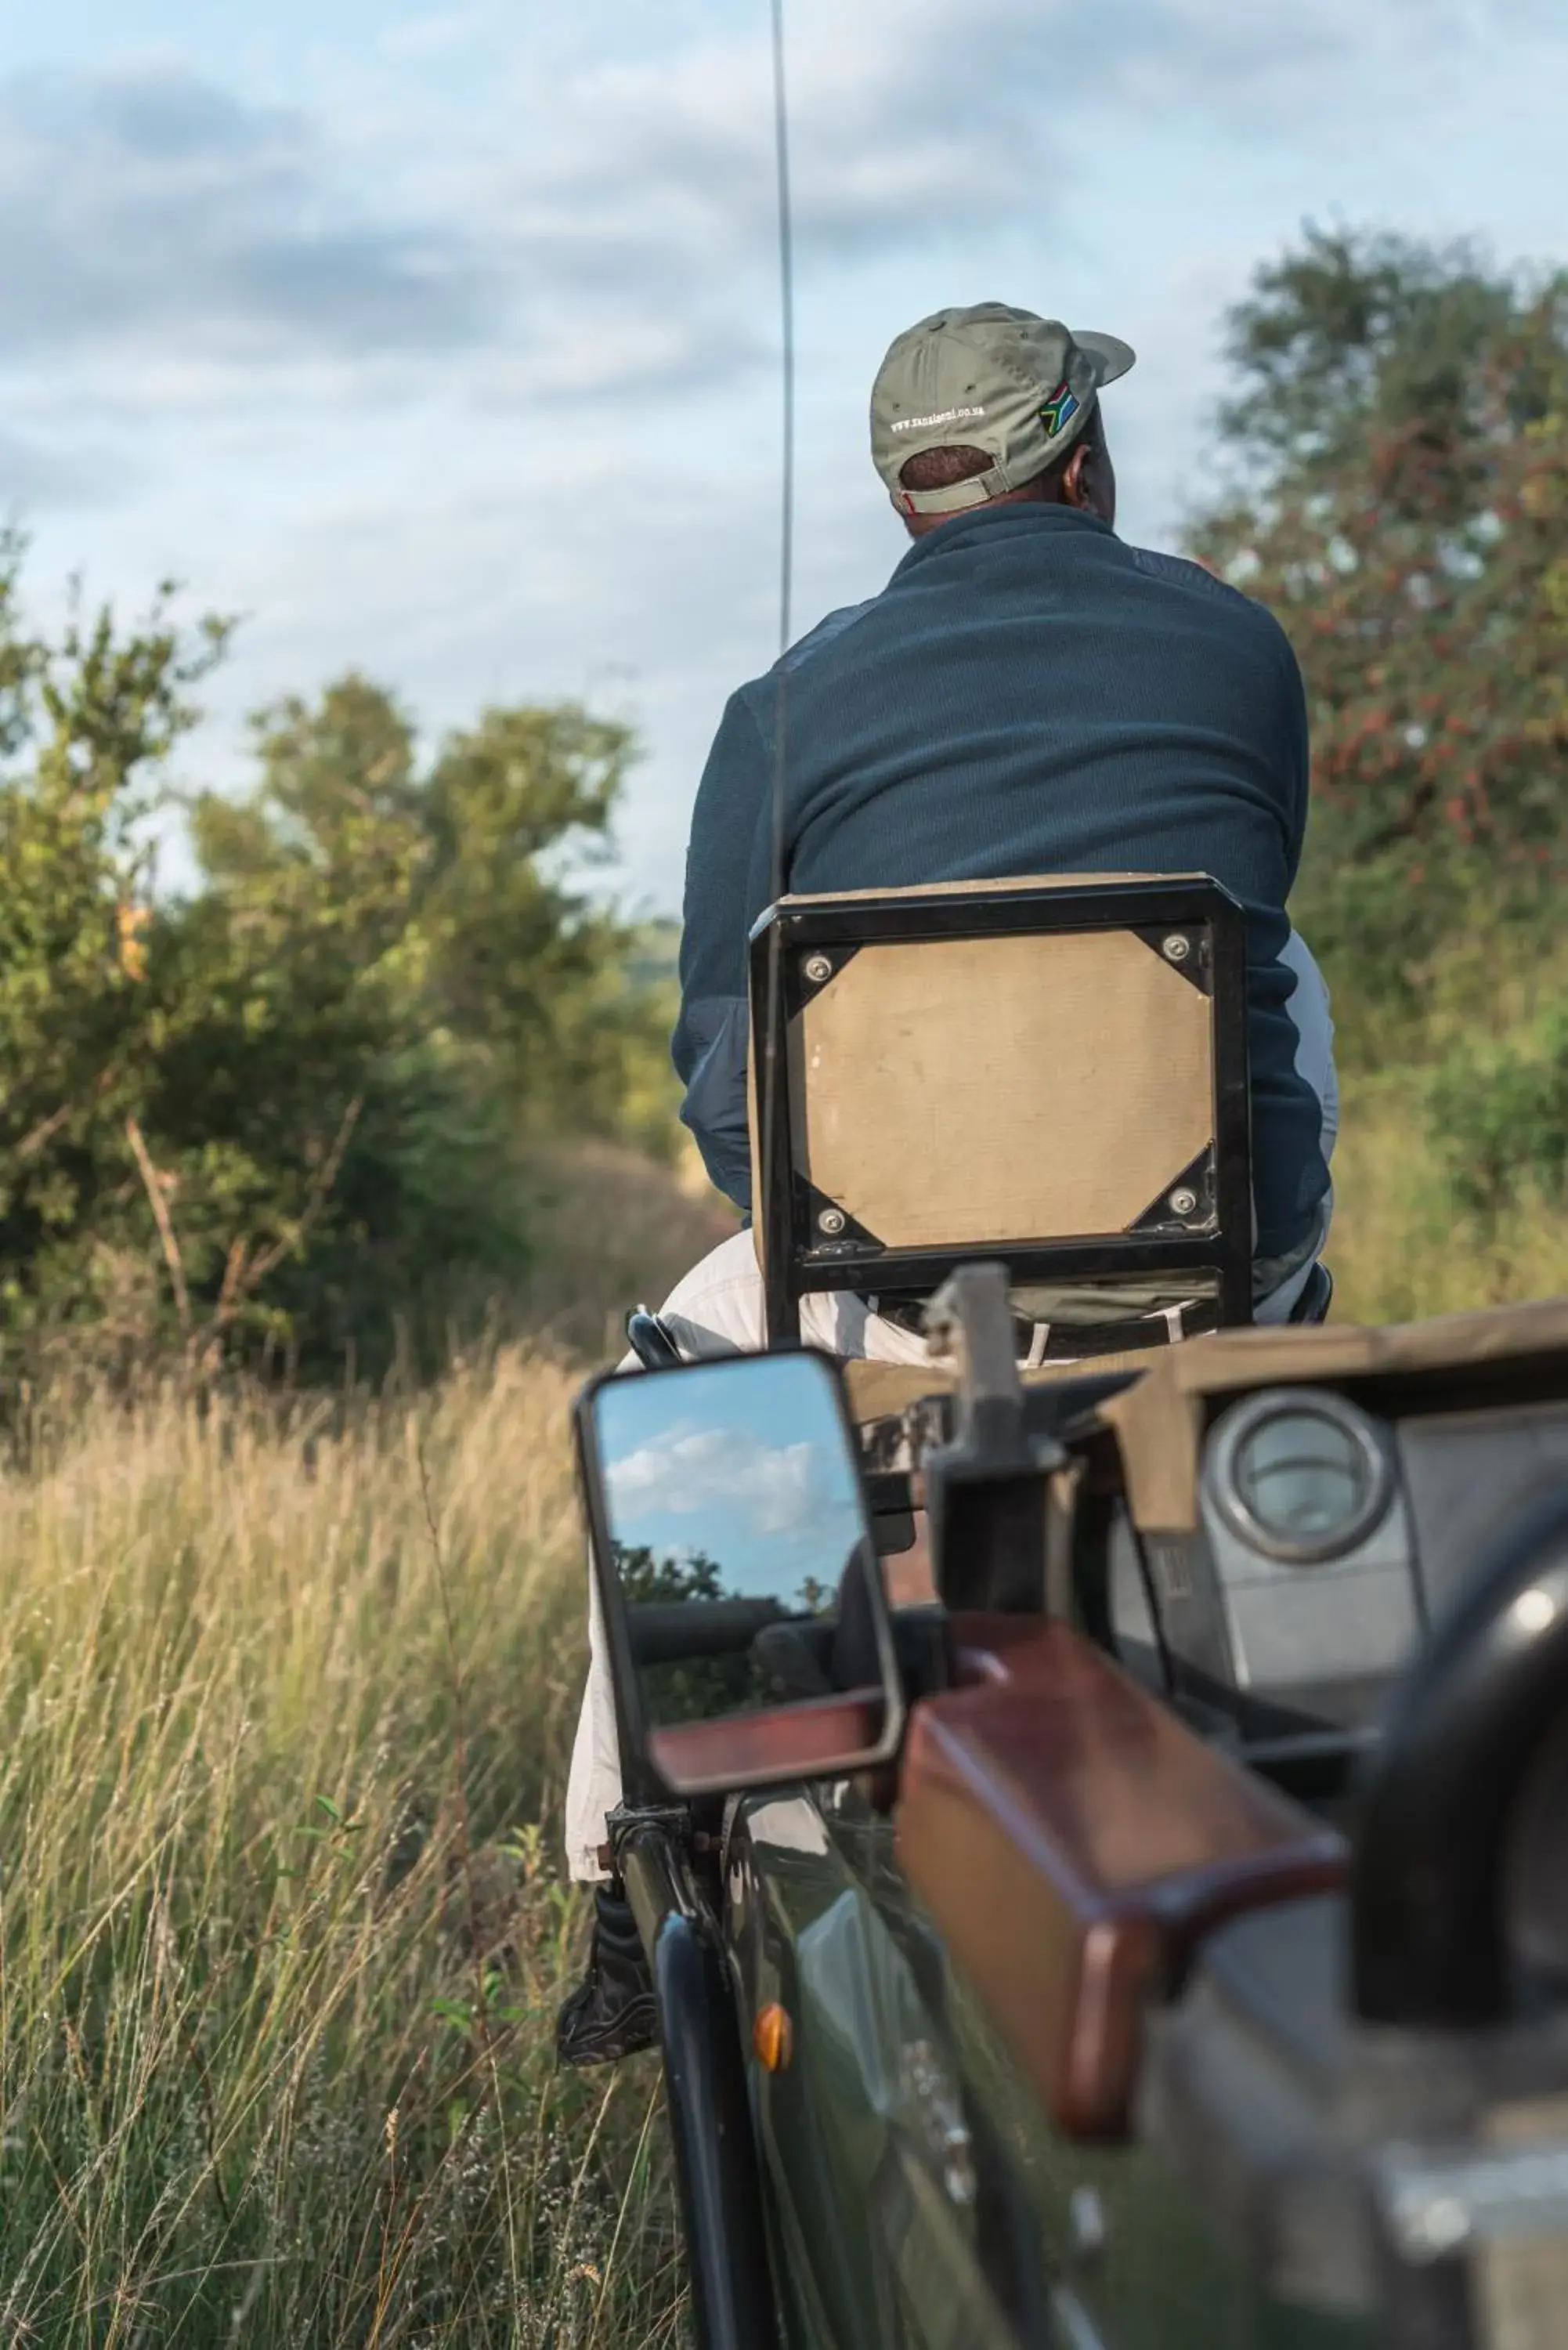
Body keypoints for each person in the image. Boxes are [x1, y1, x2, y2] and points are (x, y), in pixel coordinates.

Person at [555, 302, 1339, 2065]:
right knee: (1269, 967)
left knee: (666, 1397)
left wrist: (845, 1234)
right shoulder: (1232, 641)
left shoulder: (783, 703)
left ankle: (624, 1902)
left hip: (897, 1285)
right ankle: (1273, 1395)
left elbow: (720, 1075)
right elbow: (1255, 891)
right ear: (1080, 457)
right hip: (1202, 1258)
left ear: (907, 500)